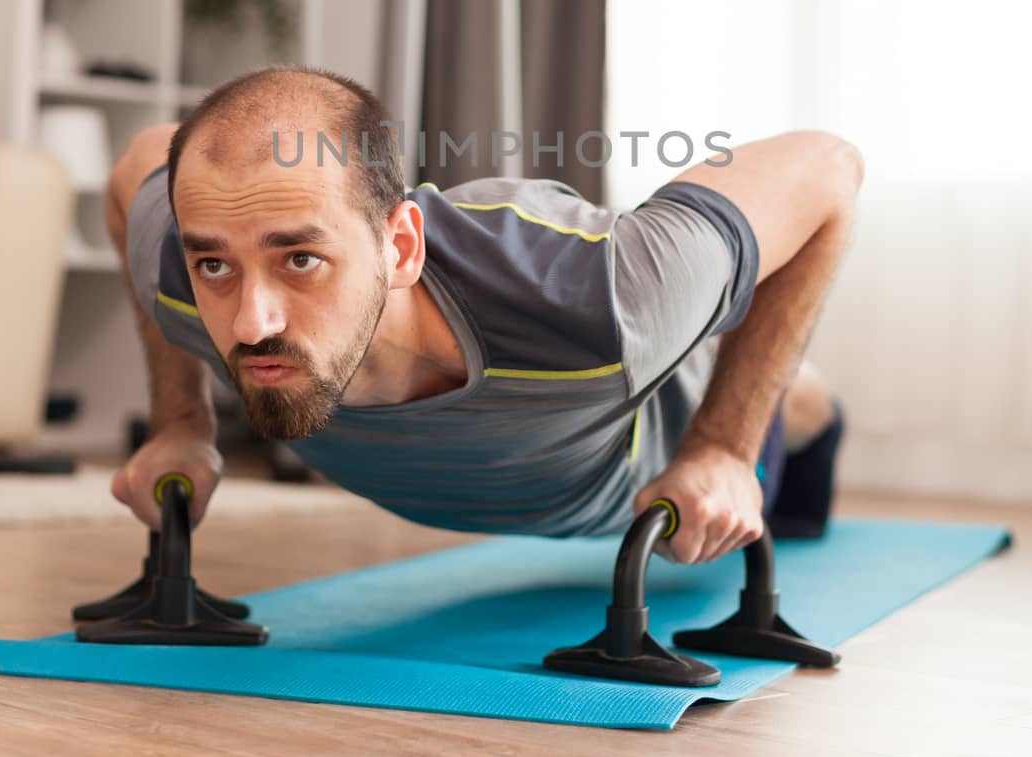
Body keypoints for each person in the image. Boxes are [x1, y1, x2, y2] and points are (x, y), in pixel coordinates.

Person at [106, 66, 862, 567]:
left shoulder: (606, 294)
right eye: (217, 266)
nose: (249, 322)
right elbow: (140, 155)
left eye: (300, 260)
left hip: (648, 433)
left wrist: (725, 449)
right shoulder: (178, 264)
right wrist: (181, 422)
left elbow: (827, 166)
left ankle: (804, 410)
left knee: (790, 405)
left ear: (400, 247)